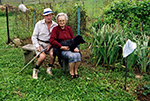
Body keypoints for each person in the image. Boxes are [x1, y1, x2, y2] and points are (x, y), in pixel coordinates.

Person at [50, 13, 81, 79]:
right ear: (57, 21)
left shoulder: (68, 29)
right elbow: (52, 40)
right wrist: (61, 47)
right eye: (60, 21)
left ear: (66, 20)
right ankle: (71, 72)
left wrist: (75, 47)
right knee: (71, 56)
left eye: (63, 20)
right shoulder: (55, 29)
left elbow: (73, 39)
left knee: (78, 55)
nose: (62, 22)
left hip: (70, 47)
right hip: (62, 49)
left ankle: (75, 71)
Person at [31, 8, 57, 79]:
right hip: (40, 43)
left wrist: (50, 45)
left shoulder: (55, 25)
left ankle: (49, 69)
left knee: (53, 54)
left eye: (50, 15)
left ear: (52, 16)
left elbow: (56, 38)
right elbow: (34, 37)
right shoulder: (39, 24)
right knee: (42, 56)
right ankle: (36, 70)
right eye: (47, 15)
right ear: (44, 17)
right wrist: (37, 46)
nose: (49, 17)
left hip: (50, 44)